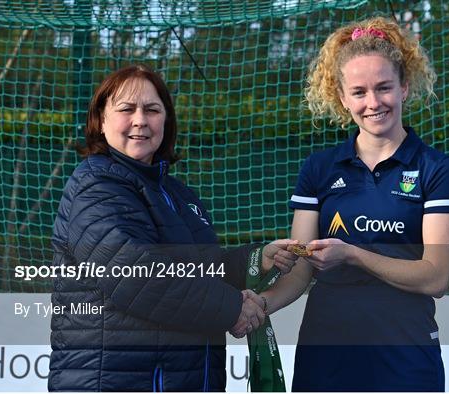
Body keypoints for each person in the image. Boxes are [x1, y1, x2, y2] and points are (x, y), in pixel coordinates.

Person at [48, 65, 297, 391]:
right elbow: (136, 273)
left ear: (166, 120)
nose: (140, 120)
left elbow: (195, 271)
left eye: (152, 109)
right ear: (101, 120)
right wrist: (232, 307)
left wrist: (254, 259)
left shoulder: (178, 194)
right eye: (126, 109)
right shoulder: (96, 183)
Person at [259, 16, 449, 391]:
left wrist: (353, 255)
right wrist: (257, 306)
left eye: (383, 87)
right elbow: (301, 271)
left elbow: (435, 276)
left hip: (406, 357)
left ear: (404, 87)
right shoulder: (319, 168)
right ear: (342, 98)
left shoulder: (437, 169)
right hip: (326, 355)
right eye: (359, 92)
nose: (373, 103)